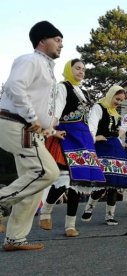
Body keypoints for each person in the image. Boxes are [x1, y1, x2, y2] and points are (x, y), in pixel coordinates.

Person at [0, 21, 63, 251]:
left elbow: (39, 101)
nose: (61, 45)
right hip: (18, 125)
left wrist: (48, 127)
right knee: (47, 172)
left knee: (32, 183)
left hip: (28, 129)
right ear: (42, 41)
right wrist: (32, 117)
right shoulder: (30, 59)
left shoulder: (45, 67)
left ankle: (15, 238)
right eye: (57, 40)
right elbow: (16, 86)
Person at [38, 59, 105, 237]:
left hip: (83, 138)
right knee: (64, 181)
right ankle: (46, 210)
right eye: (77, 68)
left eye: (83, 69)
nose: (81, 71)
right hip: (67, 135)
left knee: (80, 183)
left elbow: (88, 118)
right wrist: (51, 130)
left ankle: (70, 225)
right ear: (69, 69)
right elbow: (57, 111)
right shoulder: (62, 87)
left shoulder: (83, 92)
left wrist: (91, 139)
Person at [81, 85, 127, 225]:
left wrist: (122, 143)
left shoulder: (116, 113)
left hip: (115, 147)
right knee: (102, 183)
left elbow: (116, 131)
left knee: (115, 184)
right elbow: (91, 126)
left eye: (121, 100)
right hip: (102, 147)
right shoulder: (98, 107)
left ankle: (110, 215)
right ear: (110, 95)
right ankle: (89, 208)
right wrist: (95, 138)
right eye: (117, 99)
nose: (119, 102)